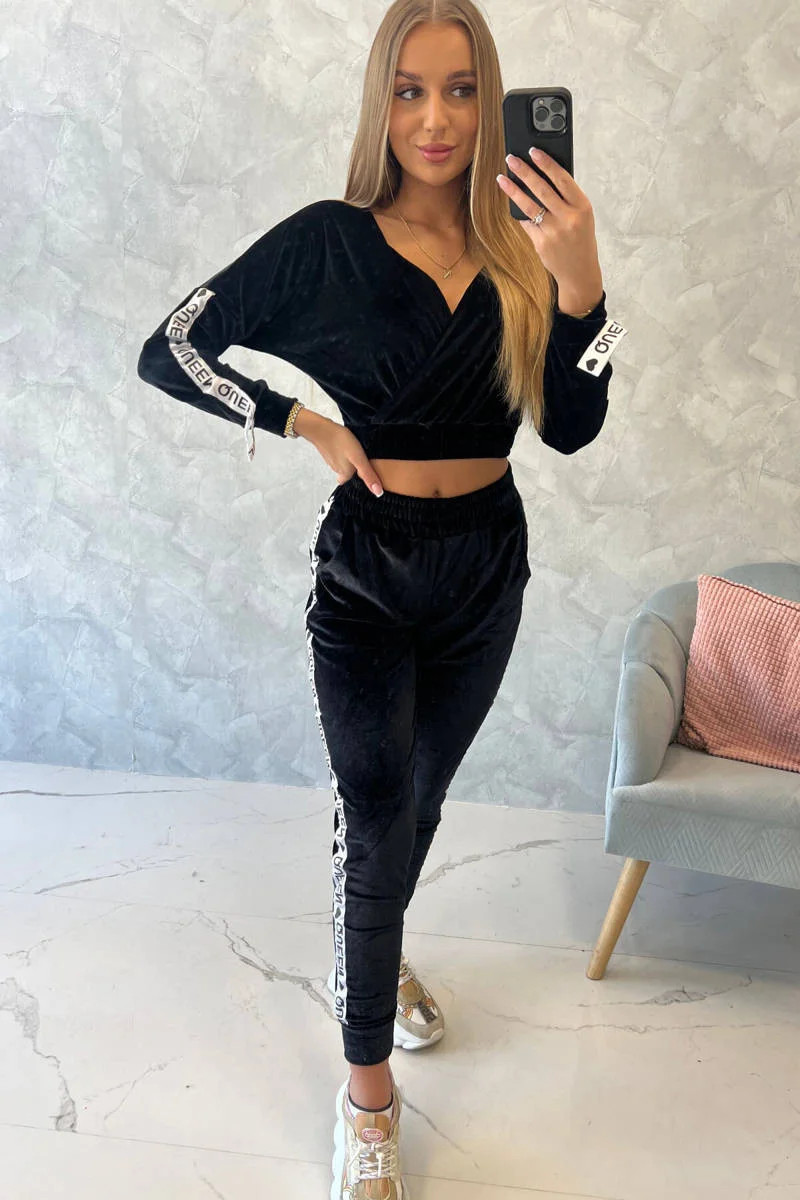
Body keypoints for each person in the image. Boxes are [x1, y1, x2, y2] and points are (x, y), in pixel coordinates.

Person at [137, 3, 614, 1195]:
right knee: (374, 809)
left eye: (459, 89)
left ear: (490, 101)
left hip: (484, 569)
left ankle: (378, 953)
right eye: (408, 90)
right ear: (378, 104)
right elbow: (171, 347)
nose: (435, 118)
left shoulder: (528, 246)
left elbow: (569, 429)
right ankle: (367, 1103)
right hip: (367, 569)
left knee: (419, 800)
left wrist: (583, 289)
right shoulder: (326, 242)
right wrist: (296, 420)